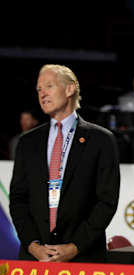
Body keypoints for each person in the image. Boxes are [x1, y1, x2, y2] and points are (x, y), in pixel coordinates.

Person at [10, 64, 120, 262]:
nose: (42, 93)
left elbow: (106, 201)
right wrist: (33, 245)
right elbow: (18, 199)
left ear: (69, 89)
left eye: (49, 86)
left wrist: (75, 247)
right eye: (39, 90)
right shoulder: (27, 142)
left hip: (83, 258)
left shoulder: (101, 140)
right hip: (35, 259)